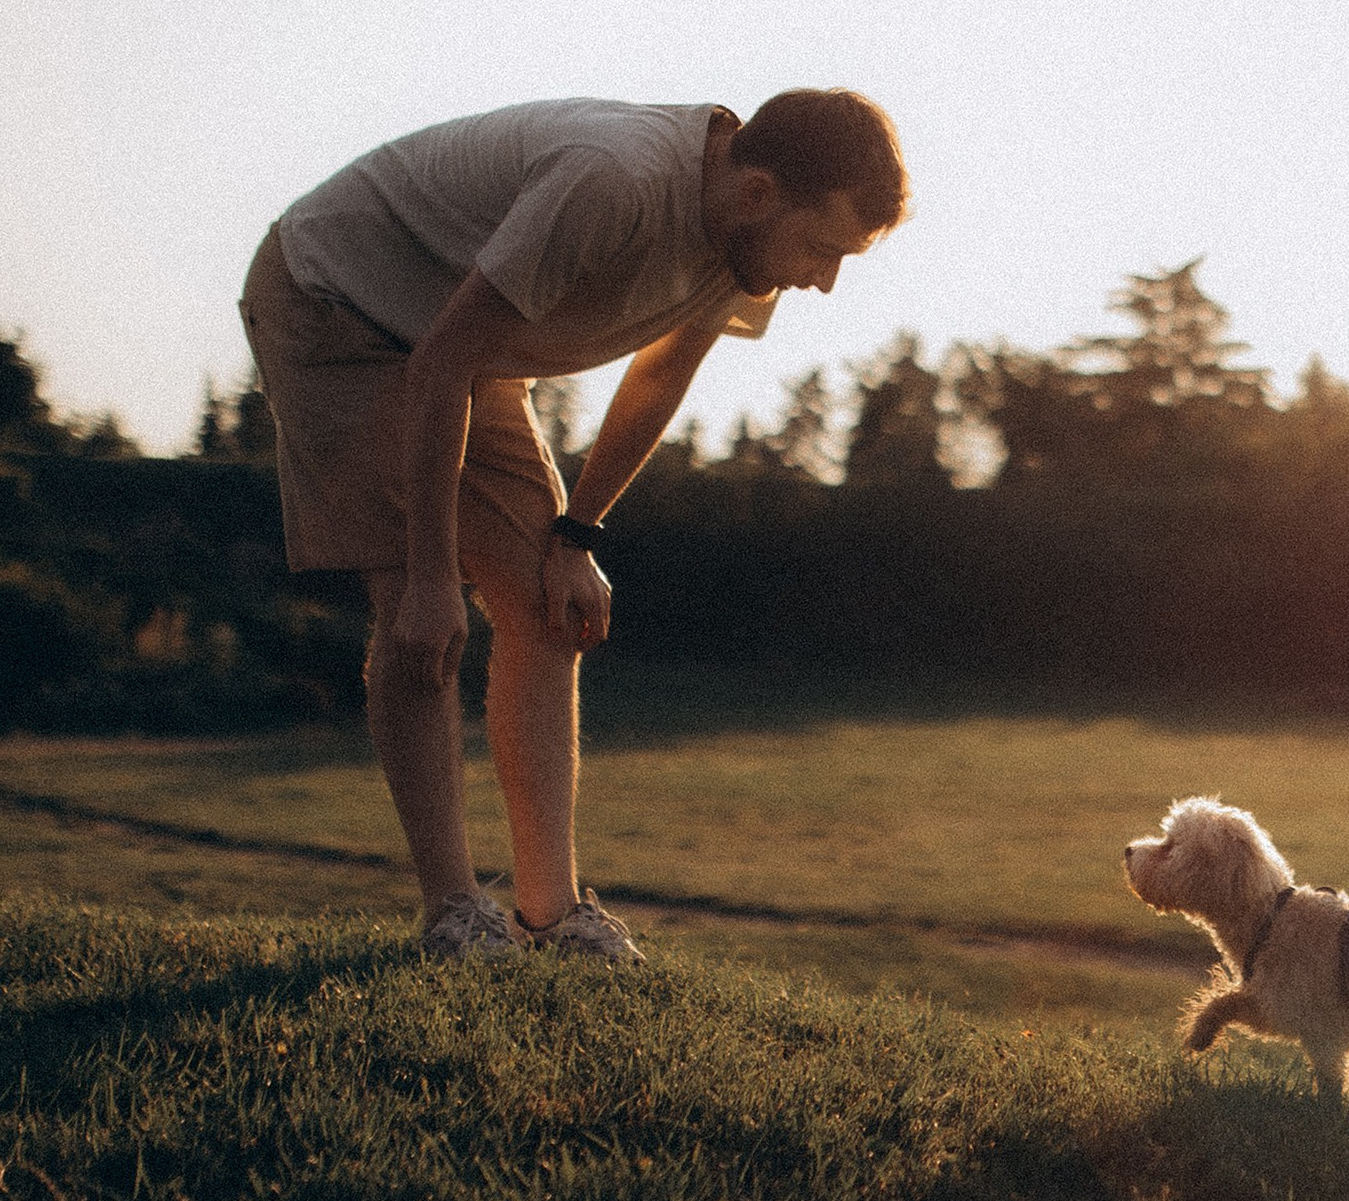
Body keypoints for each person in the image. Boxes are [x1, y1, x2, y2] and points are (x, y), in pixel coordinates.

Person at [238, 90, 908, 961]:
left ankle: (550, 917)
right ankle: (453, 913)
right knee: (418, 612)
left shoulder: (746, 243)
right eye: (823, 249)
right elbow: (441, 363)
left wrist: (576, 535)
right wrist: (437, 576)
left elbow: (661, 373)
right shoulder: (614, 180)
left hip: (460, 346)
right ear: (757, 192)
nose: (823, 281)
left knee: (552, 606)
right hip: (336, 302)